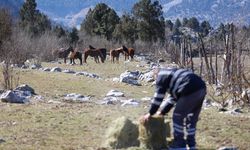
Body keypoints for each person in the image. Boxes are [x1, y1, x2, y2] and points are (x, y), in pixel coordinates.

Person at [140, 67, 206, 150]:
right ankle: (192, 145)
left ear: (155, 76)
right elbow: (172, 99)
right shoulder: (172, 75)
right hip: (201, 88)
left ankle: (180, 145)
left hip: (189, 88)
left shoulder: (161, 76)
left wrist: (150, 113)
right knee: (191, 118)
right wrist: (162, 112)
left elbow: (158, 97)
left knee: (178, 116)